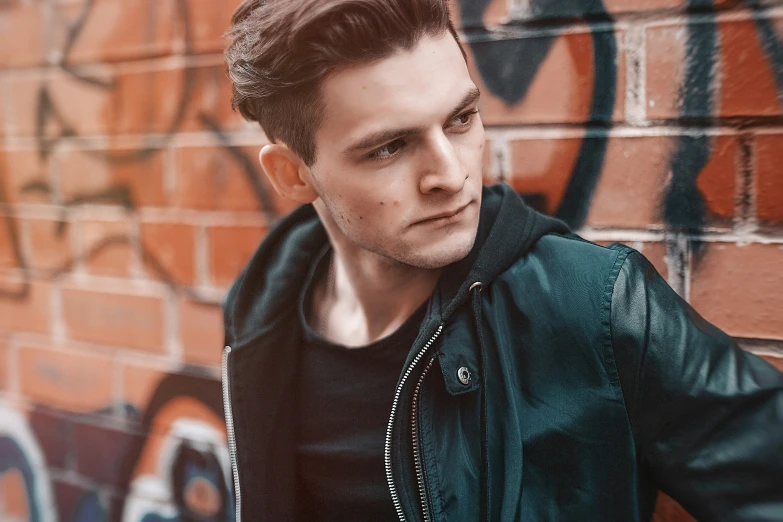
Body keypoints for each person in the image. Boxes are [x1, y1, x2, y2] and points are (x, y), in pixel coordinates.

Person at [219, 1, 783, 520]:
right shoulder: (262, 312)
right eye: (389, 147)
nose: (452, 174)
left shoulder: (593, 303)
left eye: (461, 119)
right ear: (293, 174)